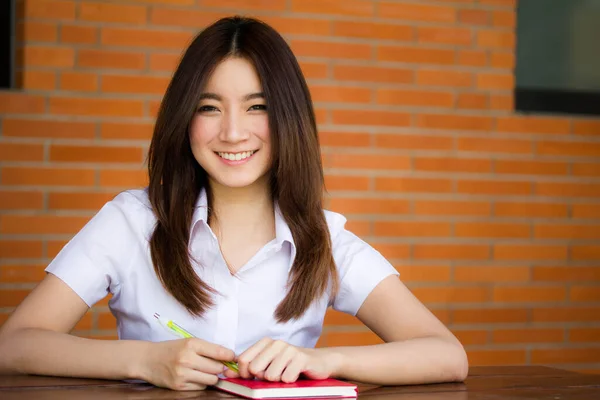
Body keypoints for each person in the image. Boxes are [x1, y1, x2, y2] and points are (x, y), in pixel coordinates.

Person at [0, 16, 468, 391]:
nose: (232, 132)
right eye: (209, 107)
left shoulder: (323, 240)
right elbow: (15, 345)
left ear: (288, 119)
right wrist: (145, 359)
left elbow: (446, 355)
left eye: (257, 106)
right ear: (184, 119)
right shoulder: (130, 222)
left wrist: (322, 360)